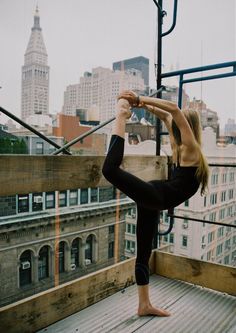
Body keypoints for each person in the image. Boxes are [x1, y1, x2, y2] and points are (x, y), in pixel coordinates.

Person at [102, 91, 209, 317]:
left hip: (154, 198)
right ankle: (121, 116)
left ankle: (144, 305)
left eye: (181, 124)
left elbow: (172, 111)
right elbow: (166, 115)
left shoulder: (189, 148)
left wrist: (141, 101)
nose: (176, 126)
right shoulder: (181, 146)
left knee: (144, 252)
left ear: (188, 127)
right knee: (109, 170)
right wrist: (139, 105)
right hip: (155, 196)